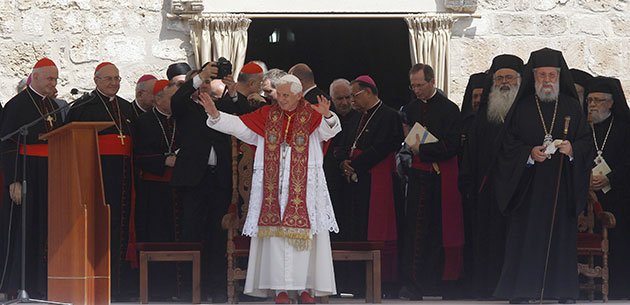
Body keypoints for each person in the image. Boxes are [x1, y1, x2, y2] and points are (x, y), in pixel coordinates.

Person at [199, 74, 340, 304]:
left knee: (307, 240)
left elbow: (329, 132)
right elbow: (241, 126)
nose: (281, 99)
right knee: (276, 241)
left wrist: (328, 116)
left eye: (286, 95)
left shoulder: (312, 115)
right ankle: (280, 291)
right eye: (279, 94)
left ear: (298, 94)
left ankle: (305, 289)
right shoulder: (266, 115)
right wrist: (216, 115)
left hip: (304, 189)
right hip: (273, 190)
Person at [492, 48, 593, 304]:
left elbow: (585, 143)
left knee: (561, 239)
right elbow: (506, 145)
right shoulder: (523, 106)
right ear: (533, 76)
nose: (547, 80)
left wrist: (573, 150)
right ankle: (522, 291)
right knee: (525, 238)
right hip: (528, 188)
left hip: (562, 188)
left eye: (551, 74)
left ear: (559, 76)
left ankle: (564, 291)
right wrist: (528, 153)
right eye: (541, 75)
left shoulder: (571, 105)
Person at [169, 63, 251, 302]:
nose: (204, 85)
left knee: (217, 236)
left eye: (207, 82)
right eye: (201, 81)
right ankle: (189, 289)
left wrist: (233, 92)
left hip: (219, 180)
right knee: (191, 234)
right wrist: (199, 77)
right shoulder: (185, 107)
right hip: (194, 180)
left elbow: (243, 112)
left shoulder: (218, 107)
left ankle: (215, 289)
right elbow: (178, 100)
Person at [65, 62, 137, 300]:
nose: (114, 83)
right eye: (108, 79)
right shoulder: (82, 107)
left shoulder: (126, 108)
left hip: (124, 180)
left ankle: (117, 286)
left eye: (117, 79)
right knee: (96, 230)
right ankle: (92, 284)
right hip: (95, 177)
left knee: (119, 228)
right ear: (96, 80)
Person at [459, 54, 523, 299]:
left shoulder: (525, 113)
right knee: (487, 241)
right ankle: (486, 288)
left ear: (519, 80)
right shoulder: (483, 117)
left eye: (509, 77)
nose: (504, 82)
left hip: (517, 191)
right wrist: (467, 183)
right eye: (499, 78)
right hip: (486, 191)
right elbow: (471, 156)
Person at [399, 63, 464, 299]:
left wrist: (423, 150)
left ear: (432, 81)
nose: (416, 90)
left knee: (440, 231)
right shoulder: (411, 109)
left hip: (440, 179)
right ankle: (415, 285)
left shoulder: (449, 109)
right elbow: (407, 142)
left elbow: (452, 146)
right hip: (418, 179)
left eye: (420, 85)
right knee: (416, 233)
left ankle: (440, 284)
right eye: (413, 86)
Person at [0, 58, 62, 299]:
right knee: (22, 230)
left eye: (55, 79)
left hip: (50, 175)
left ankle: (41, 284)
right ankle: (16, 285)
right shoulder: (17, 105)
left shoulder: (53, 106)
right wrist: (13, 181)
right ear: (34, 77)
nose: (53, 83)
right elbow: (6, 146)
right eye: (49, 78)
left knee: (44, 230)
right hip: (25, 173)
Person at [334, 75, 403, 295]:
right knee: (357, 232)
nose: (351, 101)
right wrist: (343, 162)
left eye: (354, 95)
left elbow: (384, 147)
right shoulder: (356, 118)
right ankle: (357, 284)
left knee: (376, 231)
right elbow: (344, 143)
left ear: (368, 92)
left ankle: (383, 284)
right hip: (356, 185)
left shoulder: (390, 116)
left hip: (377, 182)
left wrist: (355, 165)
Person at [133, 79, 182, 300]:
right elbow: (139, 155)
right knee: (158, 236)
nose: (176, 102)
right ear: (158, 99)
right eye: (172, 98)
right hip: (153, 191)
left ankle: (180, 289)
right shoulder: (143, 121)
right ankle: (158, 290)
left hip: (179, 189)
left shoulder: (181, 120)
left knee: (178, 237)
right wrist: (164, 161)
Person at [584, 76, 630, 299]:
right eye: (590, 100)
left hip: (620, 196)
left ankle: (620, 289)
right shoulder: (584, 129)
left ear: (611, 103)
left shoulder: (625, 127)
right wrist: (586, 179)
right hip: (588, 198)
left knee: (620, 242)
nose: (592, 104)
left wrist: (611, 177)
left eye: (598, 100)